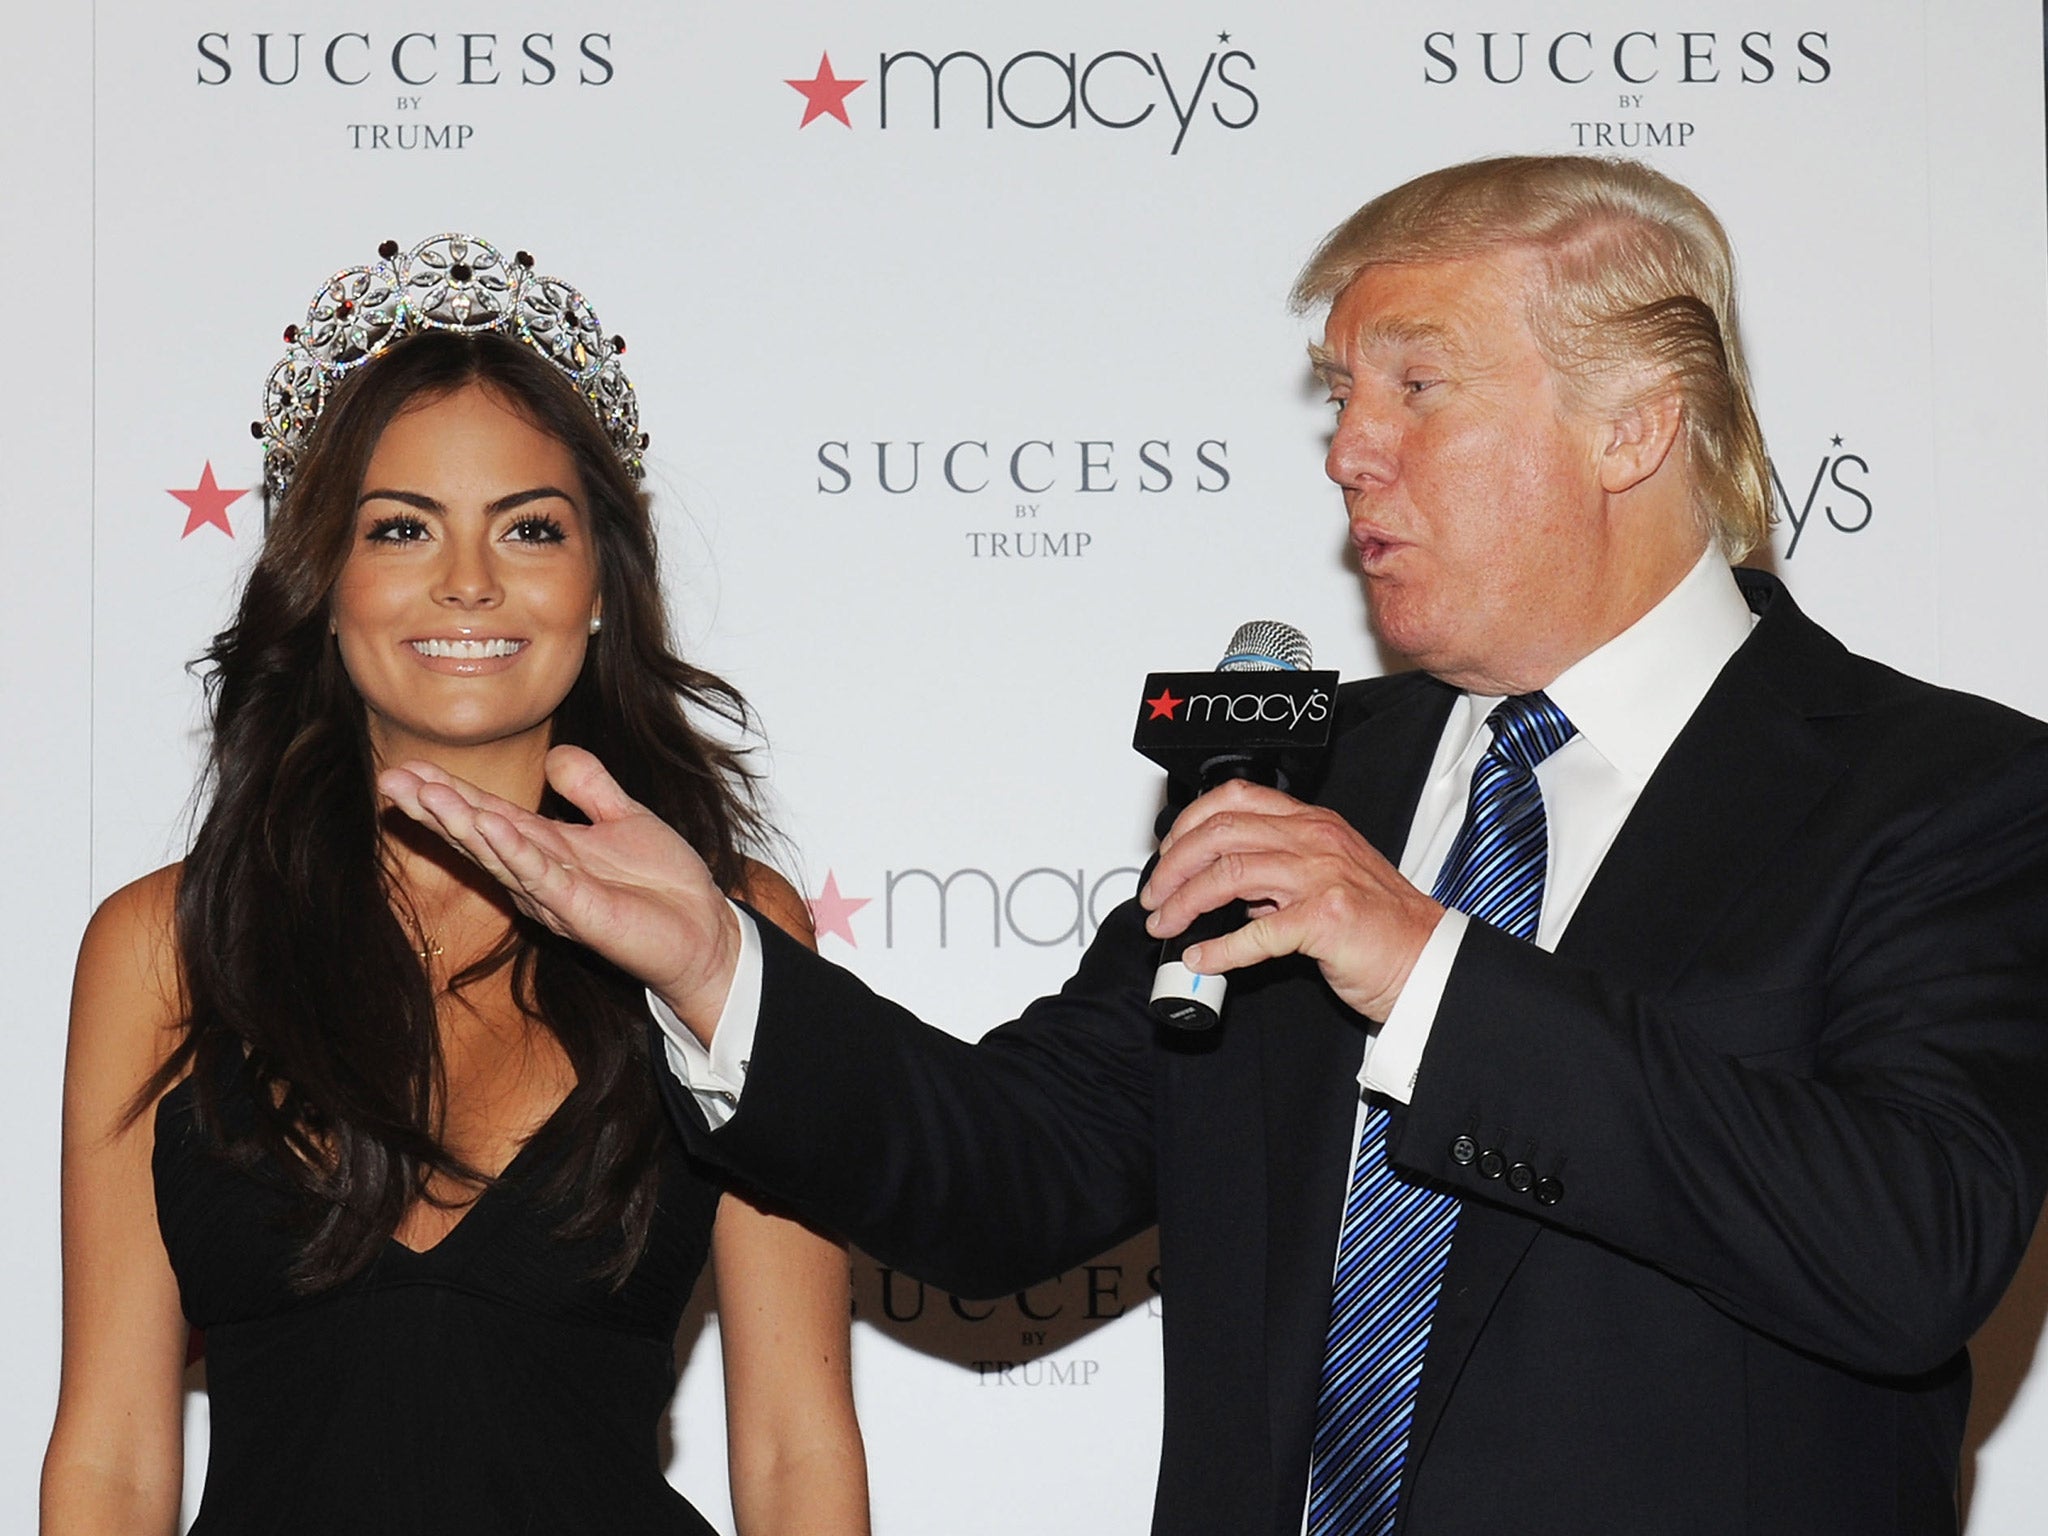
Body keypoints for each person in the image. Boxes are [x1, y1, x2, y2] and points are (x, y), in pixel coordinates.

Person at [377, 161, 2048, 1535]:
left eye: (1416, 385)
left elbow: (1916, 1252)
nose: (1347, 451)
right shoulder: (1298, 787)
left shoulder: (1942, 793)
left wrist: (1428, 970)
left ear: (1633, 428)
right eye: (1340, 394)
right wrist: (721, 969)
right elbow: (1016, 1176)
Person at [41, 236, 870, 1535]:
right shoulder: (166, 946)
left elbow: (793, 1447)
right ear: (326, 583)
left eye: (529, 528)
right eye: (402, 527)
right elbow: (111, 1456)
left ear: (601, 582)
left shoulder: (722, 928)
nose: (470, 582)